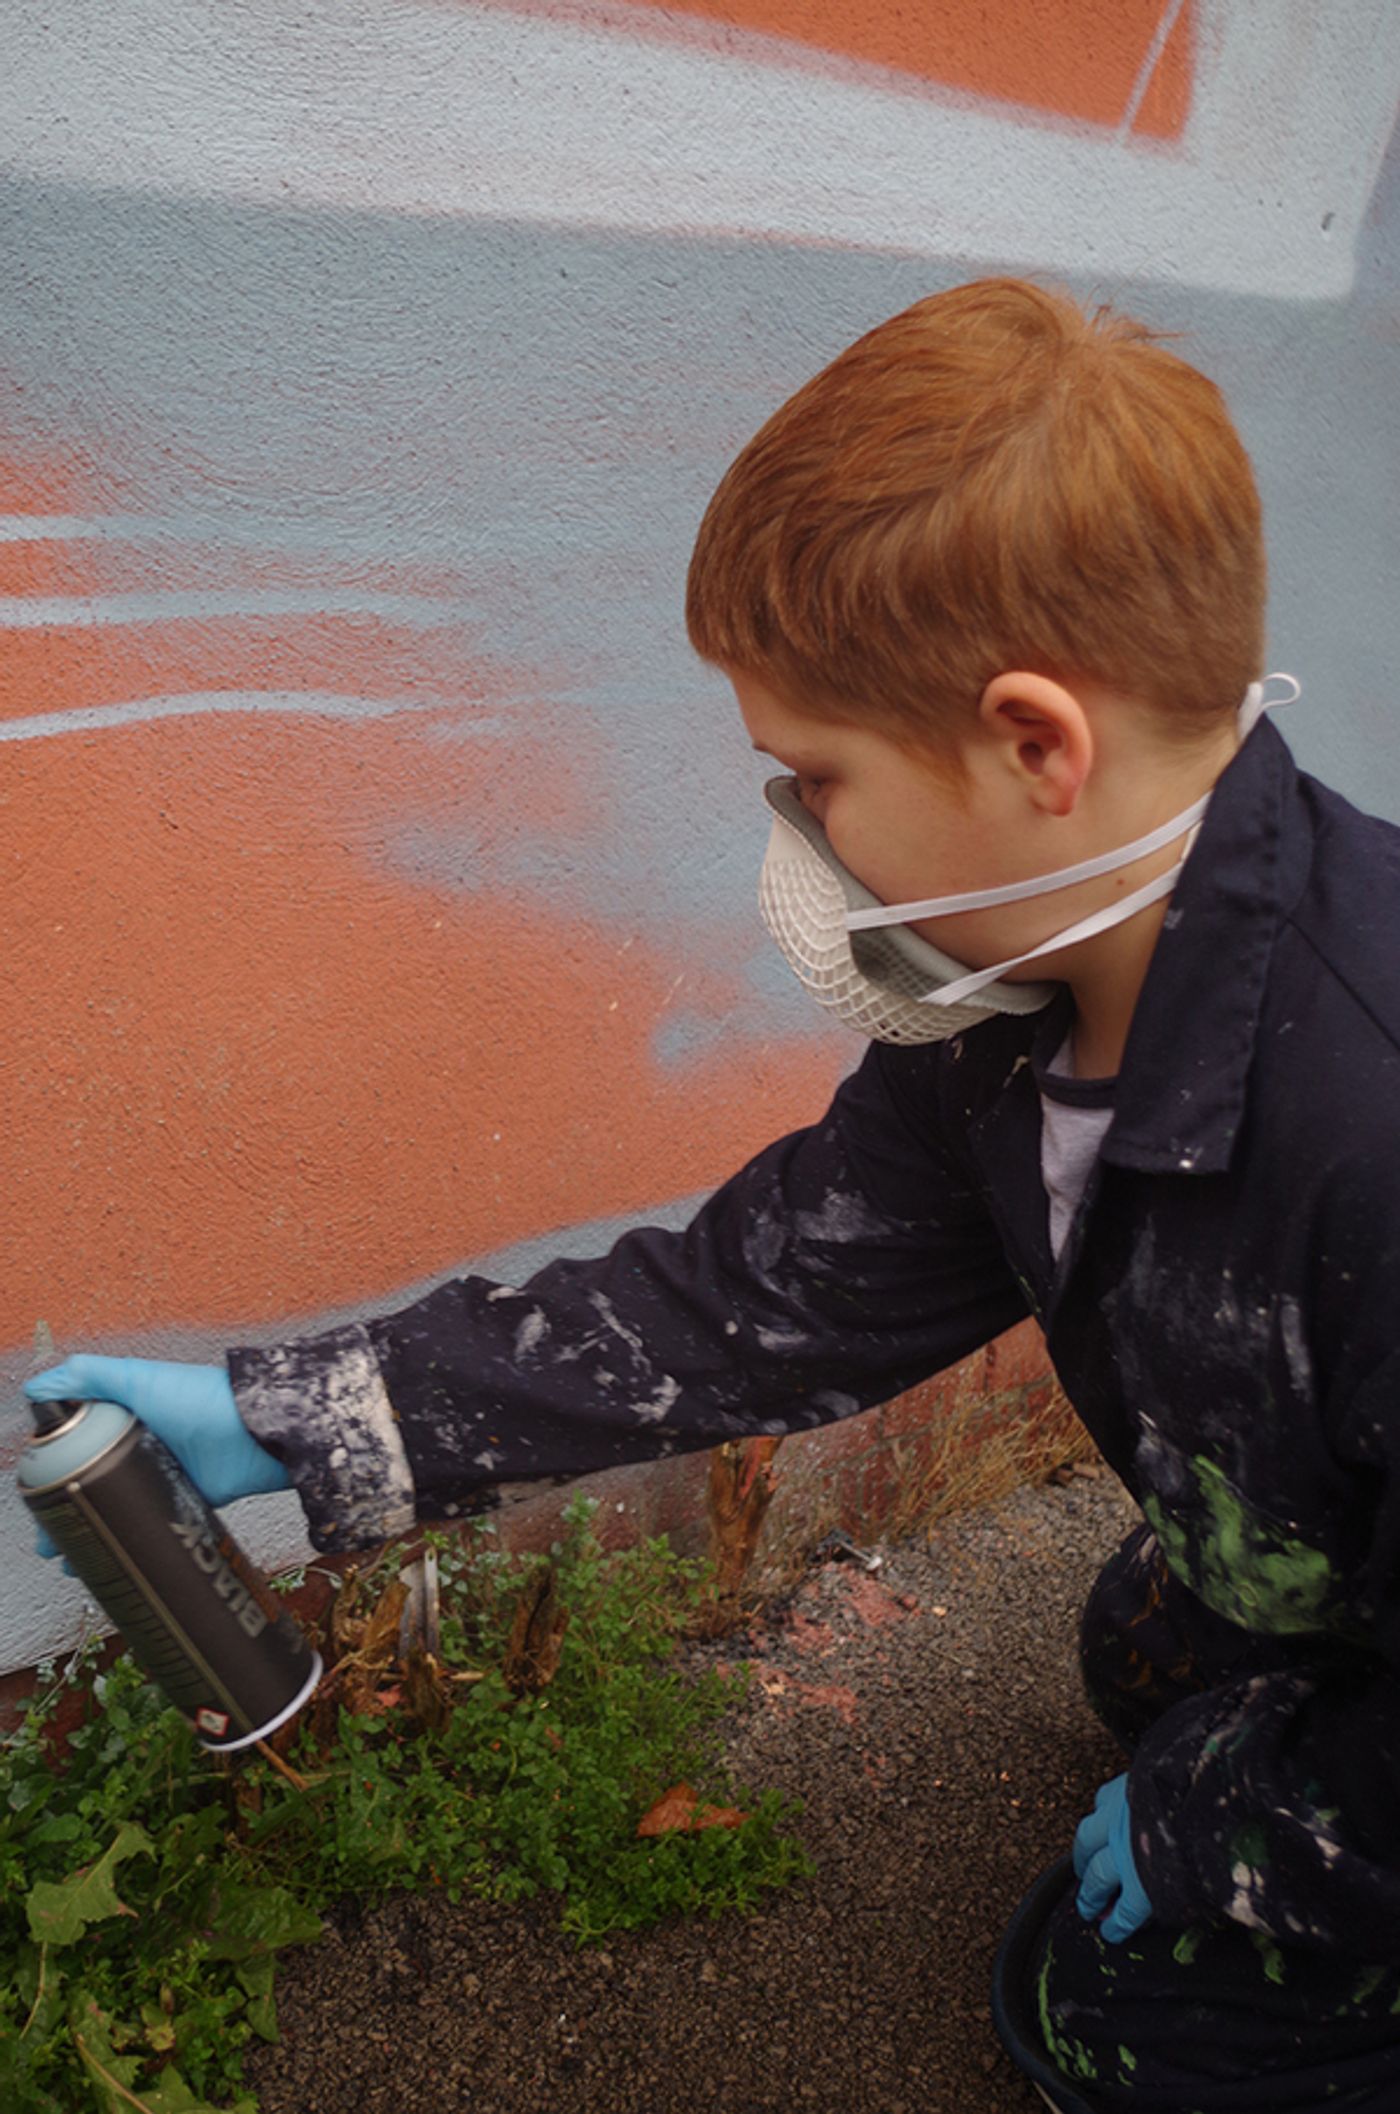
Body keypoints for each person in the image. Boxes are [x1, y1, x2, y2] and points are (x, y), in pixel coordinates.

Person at [27, 278, 1400, 2112]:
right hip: (1300, 1518)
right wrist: (297, 1419)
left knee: (1114, 2025)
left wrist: (1237, 1824)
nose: (801, 840)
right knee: (1138, 1653)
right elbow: (750, 1299)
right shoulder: (1012, 1007)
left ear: (1036, 745)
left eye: (817, 779)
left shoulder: (1366, 1135)